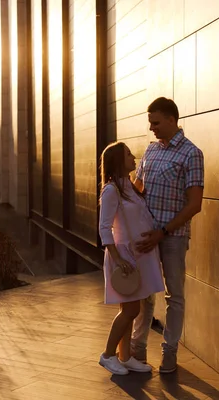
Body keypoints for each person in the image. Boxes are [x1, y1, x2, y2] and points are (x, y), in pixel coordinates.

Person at [131, 97, 204, 374]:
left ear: (172, 120)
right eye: (150, 123)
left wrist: (164, 231)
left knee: (175, 295)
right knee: (145, 293)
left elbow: (194, 204)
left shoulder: (191, 154)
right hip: (147, 236)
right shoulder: (150, 151)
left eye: (156, 123)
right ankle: (138, 349)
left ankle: (169, 352)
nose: (152, 128)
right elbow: (138, 188)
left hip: (172, 237)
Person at [98, 141, 165, 375]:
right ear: (118, 160)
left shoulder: (129, 187)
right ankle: (108, 355)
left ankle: (125, 357)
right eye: (128, 154)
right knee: (129, 310)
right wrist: (118, 259)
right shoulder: (111, 191)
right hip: (124, 256)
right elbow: (104, 228)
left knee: (131, 308)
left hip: (137, 255)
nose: (133, 157)